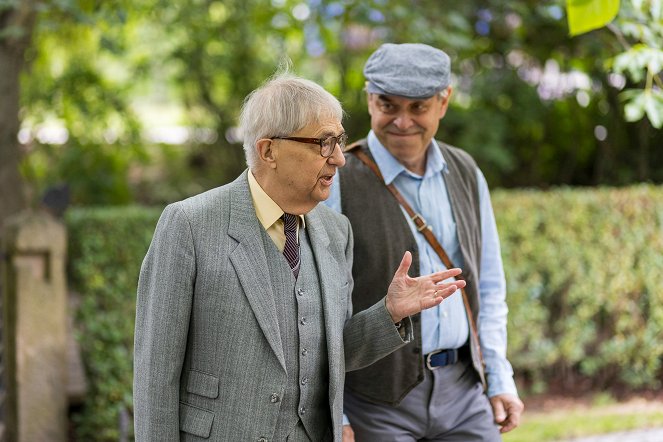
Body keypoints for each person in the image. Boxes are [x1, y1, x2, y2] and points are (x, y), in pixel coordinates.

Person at [133, 73, 467, 442]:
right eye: (324, 143)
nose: (339, 158)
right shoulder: (189, 225)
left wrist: (389, 313)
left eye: (339, 141)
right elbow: (155, 375)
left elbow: (330, 355)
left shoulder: (337, 231)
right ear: (268, 151)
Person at [325, 43, 525, 441]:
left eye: (417, 107)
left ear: (443, 102)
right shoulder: (336, 181)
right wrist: (338, 412)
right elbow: (319, 311)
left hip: (465, 393)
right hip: (375, 403)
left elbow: (487, 284)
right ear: (369, 100)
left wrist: (499, 378)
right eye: (388, 105)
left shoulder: (466, 171)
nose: (402, 122)